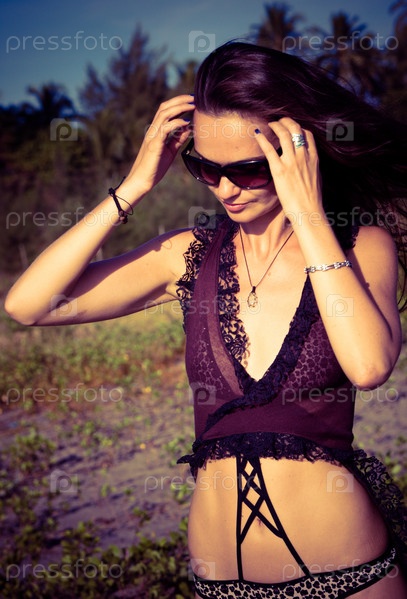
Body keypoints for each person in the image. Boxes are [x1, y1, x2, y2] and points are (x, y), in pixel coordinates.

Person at [5, 41, 407, 598]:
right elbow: (29, 305)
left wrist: (310, 215)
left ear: (297, 154)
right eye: (205, 168)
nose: (225, 189)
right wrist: (135, 185)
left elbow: (368, 366)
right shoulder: (186, 256)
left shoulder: (361, 248)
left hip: (348, 577)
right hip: (221, 585)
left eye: (247, 170)